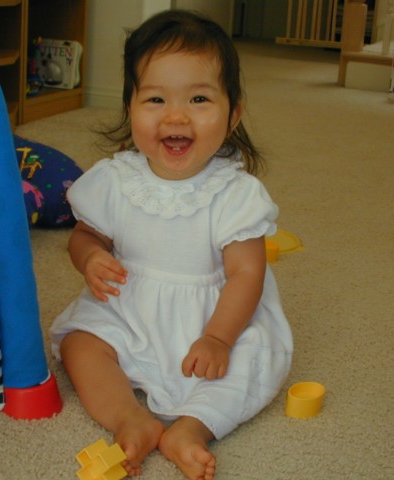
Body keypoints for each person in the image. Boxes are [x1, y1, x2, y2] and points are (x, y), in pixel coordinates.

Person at [50, 10, 293, 480]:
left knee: (258, 360)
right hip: (128, 307)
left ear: (233, 112)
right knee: (80, 344)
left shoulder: (234, 193)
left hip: (215, 316)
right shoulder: (116, 179)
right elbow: (87, 235)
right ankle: (128, 417)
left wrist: (219, 337)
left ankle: (192, 428)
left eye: (199, 99)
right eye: (156, 99)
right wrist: (91, 258)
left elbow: (247, 273)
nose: (176, 116)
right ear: (130, 107)